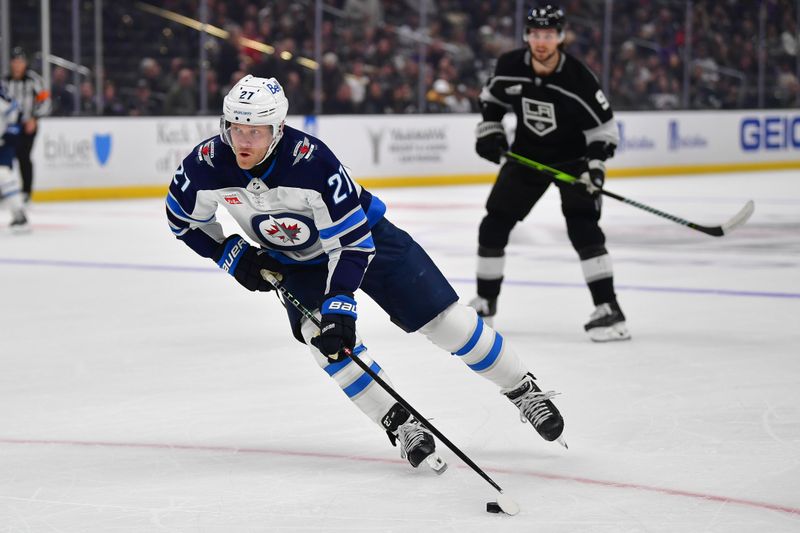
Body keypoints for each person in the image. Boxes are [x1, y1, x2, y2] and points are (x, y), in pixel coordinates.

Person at [166, 75, 566, 471]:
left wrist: (340, 301)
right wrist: (229, 254)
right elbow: (181, 219)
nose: (244, 141)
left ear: (278, 129)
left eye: (256, 131)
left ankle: (521, 387)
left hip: (366, 240)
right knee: (325, 344)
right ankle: (400, 422)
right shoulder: (206, 165)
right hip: (296, 262)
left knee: (446, 323)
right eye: (236, 128)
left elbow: (352, 243)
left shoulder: (312, 162)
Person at [470, 4, 629, 342]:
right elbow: (492, 99)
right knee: (494, 221)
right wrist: (491, 132)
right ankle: (485, 303)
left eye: (548, 35)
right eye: (535, 35)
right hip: (528, 157)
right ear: (527, 36)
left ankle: (610, 310)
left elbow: (604, 130)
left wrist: (595, 171)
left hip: (573, 162)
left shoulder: (578, 78)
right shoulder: (510, 65)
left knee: (583, 226)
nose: (541, 42)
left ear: (560, 37)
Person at [2, 47, 50, 203]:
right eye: (15, 62)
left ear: (25, 63)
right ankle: (5, 191)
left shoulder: (33, 80)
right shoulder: (5, 81)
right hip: (8, 128)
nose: (17, 65)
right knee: (5, 160)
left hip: (27, 127)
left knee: (24, 157)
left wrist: (34, 119)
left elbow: (45, 100)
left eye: (20, 62)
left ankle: (26, 192)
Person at [0, 85, 28, 232]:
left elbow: (15, 110)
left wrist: (11, 131)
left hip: (3, 143)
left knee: (3, 173)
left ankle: (19, 214)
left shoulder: (1, 96)